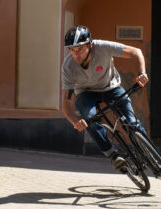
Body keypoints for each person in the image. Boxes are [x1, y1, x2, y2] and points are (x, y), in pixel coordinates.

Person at [61, 25, 149, 170]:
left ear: (89, 45)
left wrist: (142, 73)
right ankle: (112, 155)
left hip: (111, 87)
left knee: (131, 122)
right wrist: (75, 121)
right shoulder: (68, 66)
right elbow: (67, 101)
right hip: (85, 93)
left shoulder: (102, 47)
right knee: (90, 120)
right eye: (72, 50)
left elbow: (136, 52)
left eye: (80, 49)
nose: (76, 54)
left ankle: (148, 155)